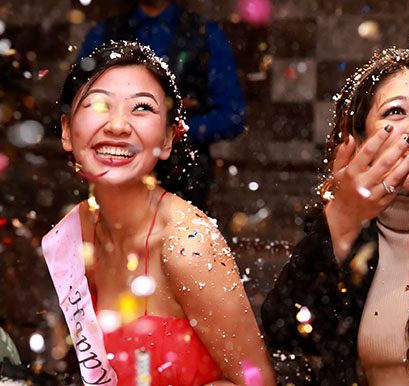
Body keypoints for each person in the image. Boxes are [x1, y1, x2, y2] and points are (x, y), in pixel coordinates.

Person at [261, 45, 409, 386]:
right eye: (395, 112)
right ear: (359, 144)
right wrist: (342, 218)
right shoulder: (345, 243)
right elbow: (283, 331)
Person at [42, 41, 275, 386]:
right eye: (98, 104)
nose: (118, 125)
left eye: (141, 108)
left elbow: (256, 382)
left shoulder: (187, 244)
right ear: (65, 130)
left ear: (167, 139)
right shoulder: (74, 234)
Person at [77, 0, 245, 211]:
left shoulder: (205, 34)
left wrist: (173, 130)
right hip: (115, 179)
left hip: (185, 182)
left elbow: (232, 116)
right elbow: (78, 107)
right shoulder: (103, 33)